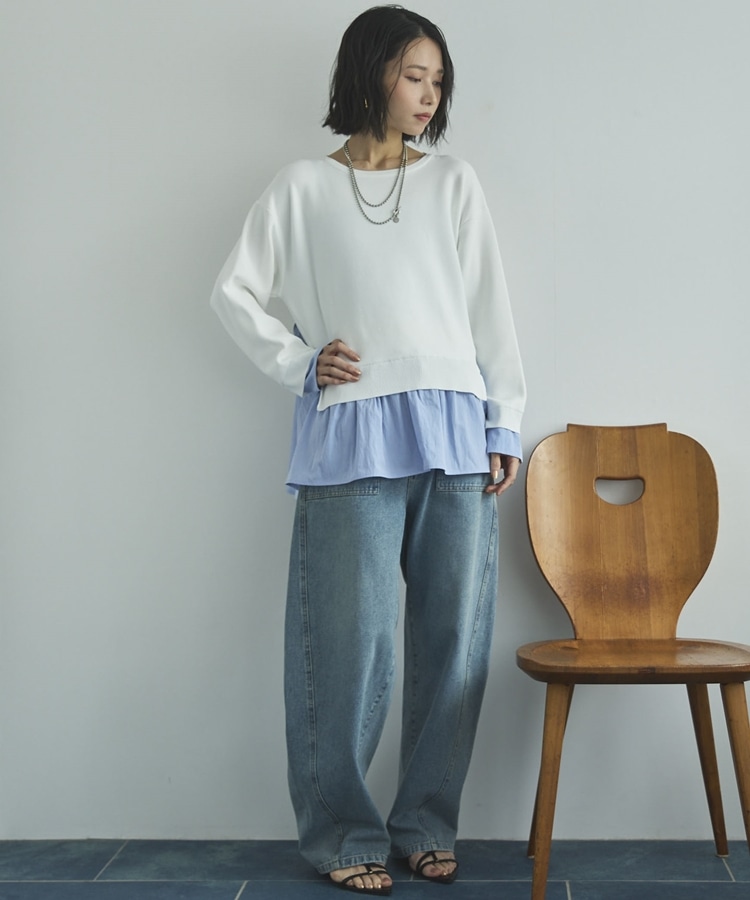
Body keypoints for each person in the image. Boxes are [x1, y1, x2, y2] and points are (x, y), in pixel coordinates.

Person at [211, 5, 525, 894]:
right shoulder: (301, 188)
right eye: (413, 75)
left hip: (456, 431)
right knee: (346, 646)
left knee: (452, 643)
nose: (428, 95)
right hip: (350, 428)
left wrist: (503, 420)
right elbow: (233, 293)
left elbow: (491, 310)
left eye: (438, 81)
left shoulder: (454, 183)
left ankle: (426, 824)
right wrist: (299, 362)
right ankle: (343, 833)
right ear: (369, 71)